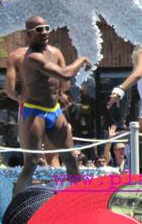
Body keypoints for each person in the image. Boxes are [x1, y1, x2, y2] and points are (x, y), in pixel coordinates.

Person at [13, 16, 91, 196]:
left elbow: (63, 84)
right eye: (39, 30)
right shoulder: (31, 57)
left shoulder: (55, 52)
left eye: (47, 28)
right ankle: (14, 207)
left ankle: (81, 203)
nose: (45, 32)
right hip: (34, 111)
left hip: (54, 110)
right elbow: (65, 74)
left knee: (71, 159)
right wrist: (82, 59)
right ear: (28, 35)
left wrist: (61, 94)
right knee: (32, 162)